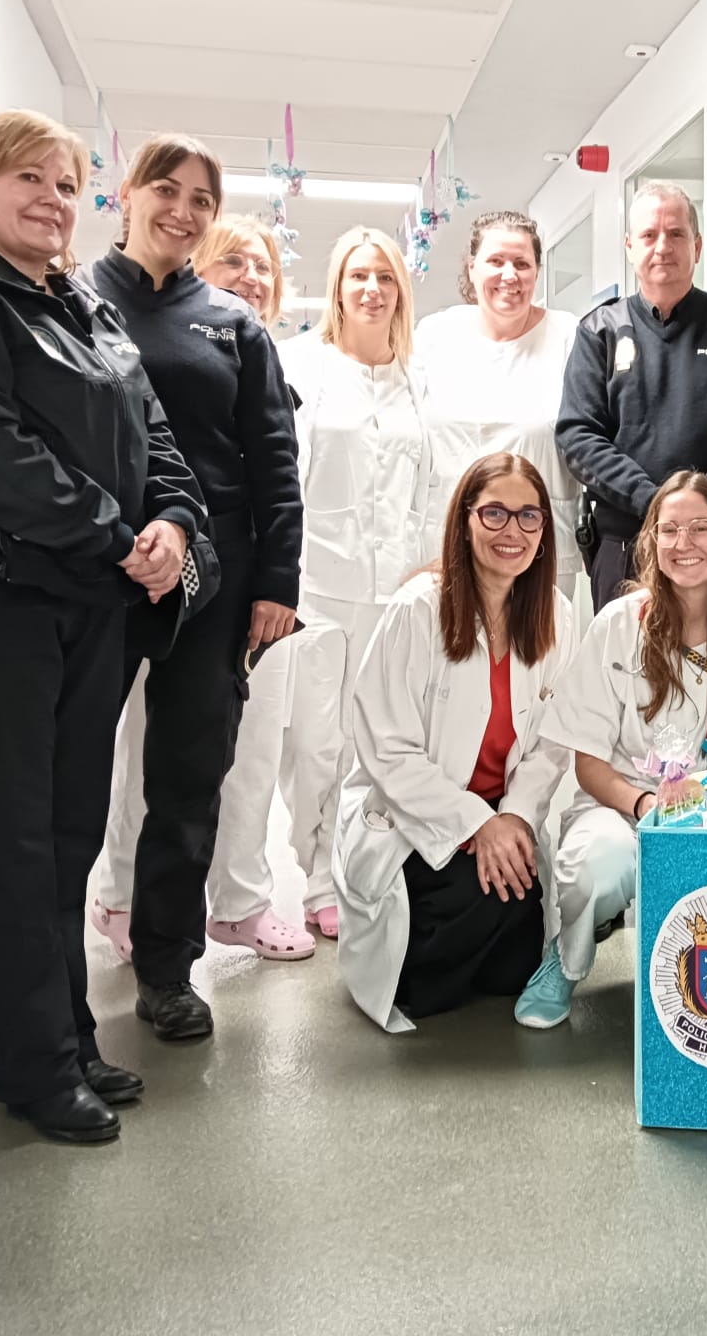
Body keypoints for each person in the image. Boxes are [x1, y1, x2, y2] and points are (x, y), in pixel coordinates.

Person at [0, 109, 203, 1144]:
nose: (51, 199)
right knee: (13, 847)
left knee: (65, 841)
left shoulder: (84, 313)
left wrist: (171, 528)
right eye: (27, 178)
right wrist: (120, 538)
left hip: (87, 608)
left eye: (66, 184)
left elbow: (159, 442)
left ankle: (65, 1035)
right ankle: (31, 1072)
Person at [83, 134, 303, 1043]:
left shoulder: (233, 325)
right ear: (127, 194)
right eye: (165, 190)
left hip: (214, 587)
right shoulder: (73, 301)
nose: (181, 210)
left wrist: (275, 584)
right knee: (66, 779)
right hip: (93, 575)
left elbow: (273, 465)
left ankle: (169, 968)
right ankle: (39, 963)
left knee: (187, 778)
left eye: (201, 199)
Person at [518, 472, 707, 1028]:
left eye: (701, 528)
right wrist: (643, 806)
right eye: (670, 530)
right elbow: (588, 763)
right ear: (651, 543)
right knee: (598, 866)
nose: (684, 545)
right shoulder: (618, 624)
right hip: (623, 807)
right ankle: (565, 961)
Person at [333, 454, 576, 1031]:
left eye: (528, 517)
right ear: (464, 518)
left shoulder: (555, 616)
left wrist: (513, 819)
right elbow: (386, 748)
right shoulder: (418, 608)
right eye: (494, 513)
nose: (511, 532)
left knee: (515, 945)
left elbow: (552, 746)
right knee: (469, 903)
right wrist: (473, 823)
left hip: (500, 818)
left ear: (544, 532)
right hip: (416, 819)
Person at [279, 226, 433, 940]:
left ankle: (350, 867)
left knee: (374, 740)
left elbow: (434, 485)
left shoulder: (417, 378)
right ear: (337, 287)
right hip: (316, 584)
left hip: (394, 588)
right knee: (315, 740)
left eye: (385, 278)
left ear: (401, 290)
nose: (371, 290)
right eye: (357, 277)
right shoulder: (300, 366)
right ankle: (310, 871)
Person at [557, 183, 707, 609]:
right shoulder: (598, 332)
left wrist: (699, 509)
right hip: (627, 544)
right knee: (624, 668)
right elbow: (579, 435)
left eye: (676, 234)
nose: (663, 246)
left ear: (697, 246)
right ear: (629, 246)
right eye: (649, 235)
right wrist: (655, 503)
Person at [414, 210, 584, 601]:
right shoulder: (436, 335)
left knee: (536, 657)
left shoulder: (568, 336)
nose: (509, 275)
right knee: (450, 657)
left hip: (538, 551)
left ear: (537, 272)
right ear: (472, 268)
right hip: (450, 545)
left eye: (522, 263)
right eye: (496, 261)